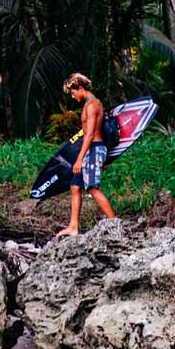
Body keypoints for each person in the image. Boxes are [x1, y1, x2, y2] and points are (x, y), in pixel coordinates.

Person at [56, 73, 115, 236]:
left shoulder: (92, 105)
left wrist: (79, 159)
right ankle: (73, 226)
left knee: (92, 188)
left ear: (80, 88)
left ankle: (114, 224)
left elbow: (89, 134)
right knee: (75, 186)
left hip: (94, 148)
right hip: (90, 149)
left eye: (73, 93)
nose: (73, 96)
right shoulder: (90, 103)